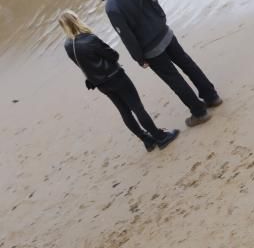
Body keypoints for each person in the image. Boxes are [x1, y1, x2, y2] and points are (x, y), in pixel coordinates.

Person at [86, 0, 221, 127]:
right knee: (187, 64)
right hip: (164, 32)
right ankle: (212, 96)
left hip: (151, 49)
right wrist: (161, 19)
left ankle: (199, 112)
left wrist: (139, 58)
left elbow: (127, 36)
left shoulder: (112, 7)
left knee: (174, 79)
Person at [59, 10, 179, 152]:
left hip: (101, 84)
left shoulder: (67, 45)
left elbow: (82, 65)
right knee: (137, 107)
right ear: (76, 20)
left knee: (124, 111)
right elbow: (113, 55)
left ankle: (147, 140)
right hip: (116, 77)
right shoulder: (90, 39)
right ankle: (160, 137)